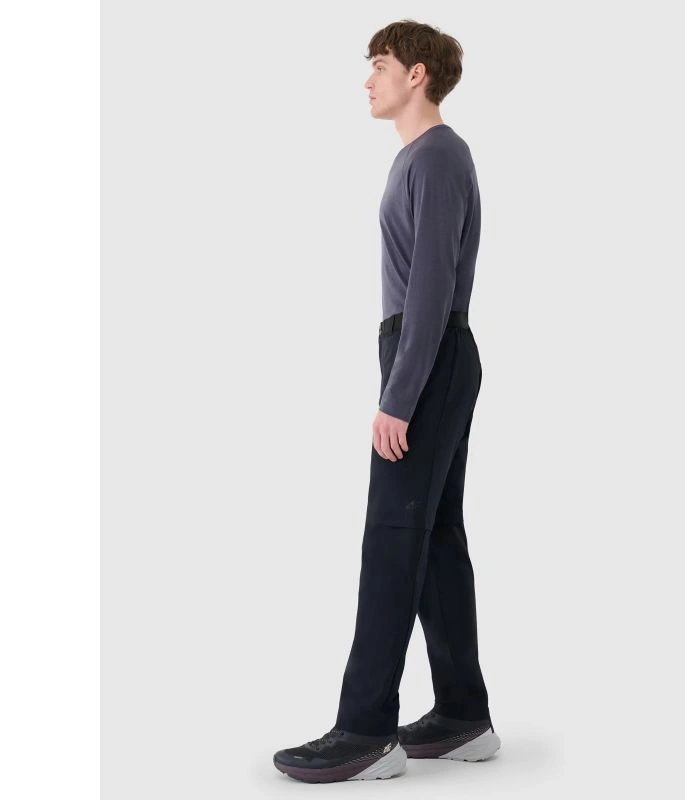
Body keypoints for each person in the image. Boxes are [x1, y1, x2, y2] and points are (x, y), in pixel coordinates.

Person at [273, 20, 500, 783]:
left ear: (417, 75)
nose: (368, 80)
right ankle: (464, 715)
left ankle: (365, 729)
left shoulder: (437, 155)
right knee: (433, 538)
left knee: (392, 537)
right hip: (425, 351)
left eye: (379, 65)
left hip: (426, 355)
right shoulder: (421, 157)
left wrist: (398, 396)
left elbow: (431, 287)